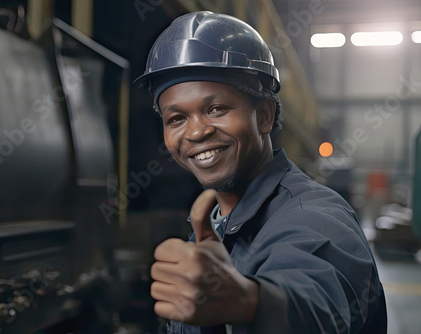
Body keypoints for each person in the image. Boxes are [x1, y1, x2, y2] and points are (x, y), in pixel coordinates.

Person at [135, 11, 387, 333]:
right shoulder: (217, 224)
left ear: (264, 116)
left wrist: (251, 301)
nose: (196, 132)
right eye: (176, 119)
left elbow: (317, 302)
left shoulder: (315, 216)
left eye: (216, 109)